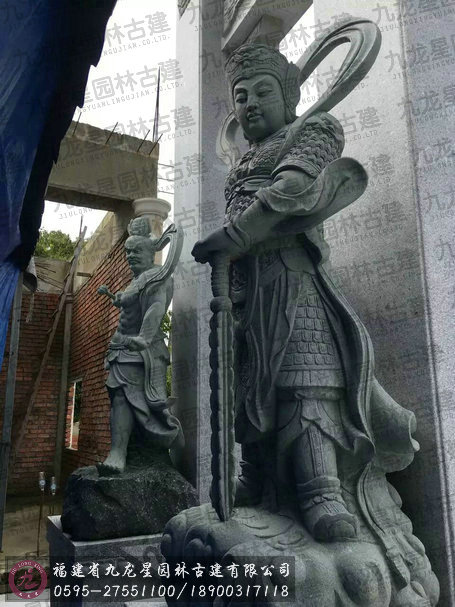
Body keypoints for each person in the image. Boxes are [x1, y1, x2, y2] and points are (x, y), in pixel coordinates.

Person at [192, 43, 417, 543]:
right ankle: (256, 474)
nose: (250, 103)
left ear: (289, 96)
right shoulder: (242, 161)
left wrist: (233, 236)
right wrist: (231, 249)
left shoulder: (314, 130)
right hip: (246, 289)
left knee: (306, 380)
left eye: (263, 92)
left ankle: (321, 490)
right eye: (241, 96)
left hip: (294, 278)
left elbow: (291, 192)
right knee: (250, 383)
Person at [97, 217, 182, 475]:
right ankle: (124, 449)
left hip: (140, 350)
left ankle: (118, 452)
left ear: (151, 252)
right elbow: (131, 308)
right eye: (128, 251)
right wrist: (119, 299)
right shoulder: (137, 280)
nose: (130, 256)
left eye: (137, 251)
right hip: (121, 348)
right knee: (118, 397)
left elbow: (155, 308)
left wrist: (144, 338)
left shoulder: (156, 277)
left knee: (123, 398)